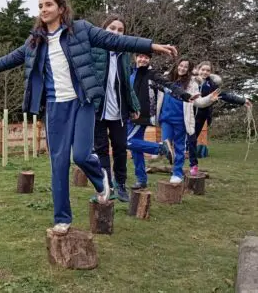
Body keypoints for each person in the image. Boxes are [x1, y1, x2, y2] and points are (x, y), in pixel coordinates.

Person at [0, 0, 177, 234]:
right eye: (40, 5)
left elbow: (116, 41)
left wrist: (151, 46)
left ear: (61, 8)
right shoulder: (35, 41)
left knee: (82, 155)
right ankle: (62, 218)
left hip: (82, 102)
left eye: (48, 5)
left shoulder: (81, 30)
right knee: (58, 163)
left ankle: (100, 181)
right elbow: (11, 58)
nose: (43, 9)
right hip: (55, 107)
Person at [91, 14, 140, 202]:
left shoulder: (124, 54)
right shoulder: (94, 49)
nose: (116, 32)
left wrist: (134, 105)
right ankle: (106, 185)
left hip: (118, 111)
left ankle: (120, 184)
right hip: (98, 109)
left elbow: (126, 84)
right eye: (112, 28)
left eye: (120, 30)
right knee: (101, 150)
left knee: (120, 148)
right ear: (104, 29)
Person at [127, 53, 193, 189]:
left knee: (125, 141)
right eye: (140, 56)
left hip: (141, 116)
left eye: (146, 57)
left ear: (149, 60)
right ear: (135, 58)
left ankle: (160, 148)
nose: (143, 59)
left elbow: (168, 86)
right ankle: (141, 179)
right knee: (136, 148)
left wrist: (185, 95)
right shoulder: (129, 71)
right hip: (126, 115)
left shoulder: (152, 74)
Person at [157, 58, 218, 183]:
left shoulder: (192, 83)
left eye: (186, 67)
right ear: (177, 65)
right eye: (181, 65)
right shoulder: (166, 78)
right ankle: (166, 160)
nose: (182, 68)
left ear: (189, 70)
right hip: (166, 118)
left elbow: (198, 101)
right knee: (166, 145)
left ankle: (177, 173)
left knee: (179, 147)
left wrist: (209, 99)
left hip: (181, 119)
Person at [188, 61, 252, 175]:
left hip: (201, 117)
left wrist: (243, 101)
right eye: (203, 69)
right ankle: (191, 164)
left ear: (211, 72)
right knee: (187, 140)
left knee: (192, 141)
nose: (205, 72)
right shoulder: (191, 81)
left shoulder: (212, 85)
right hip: (188, 114)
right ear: (198, 69)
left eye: (208, 70)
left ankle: (193, 165)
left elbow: (225, 95)